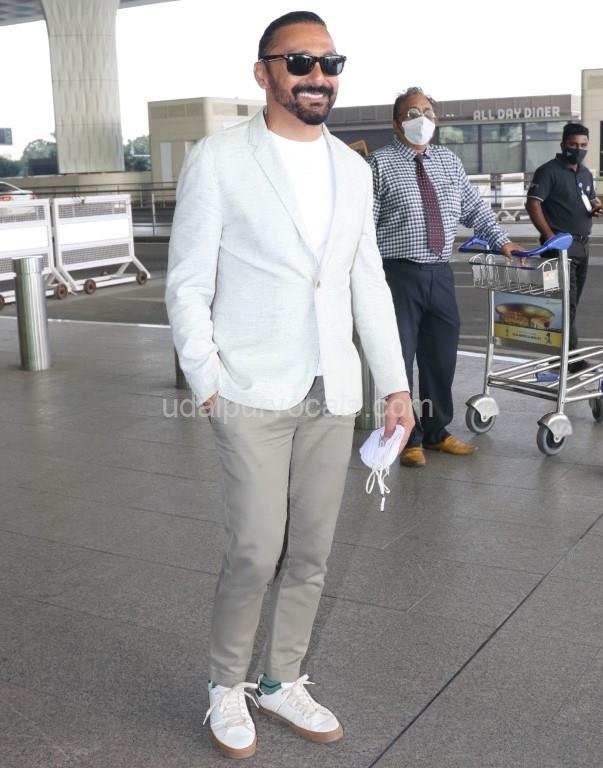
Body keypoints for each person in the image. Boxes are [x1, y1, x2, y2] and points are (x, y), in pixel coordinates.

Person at [165, 11, 414, 760]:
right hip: (248, 388)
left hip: (330, 390)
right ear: (263, 72)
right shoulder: (219, 159)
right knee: (253, 549)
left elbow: (366, 282)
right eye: (299, 62)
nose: (318, 77)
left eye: (330, 63)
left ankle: (281, 680)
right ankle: (225, 685)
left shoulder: (354, 169)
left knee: (310, 551)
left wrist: (395, 385)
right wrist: (208, 381)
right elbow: (187, 281)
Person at [368, 87, 521, 468]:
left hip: (440, 273)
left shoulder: (448, 162)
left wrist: (503, 242)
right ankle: (408, 437)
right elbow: (364, 226)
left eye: (427, 112)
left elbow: (474, 208)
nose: (421, 119)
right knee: (400, 358)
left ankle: (437, 432)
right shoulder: (379, 165)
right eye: (411, 113)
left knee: (440, 357)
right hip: (397, 274)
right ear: (396, 123)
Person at [526, 122, 603, 371]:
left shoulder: (585, 173)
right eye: (573, 144)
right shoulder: (548, 172)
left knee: (572, 304)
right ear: (563, 145)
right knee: (563, 304)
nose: (578, 149)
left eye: (583, 145)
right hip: (558, 248)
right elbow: (533, 204)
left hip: (582, 246)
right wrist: (550, 237)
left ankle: (563, 356)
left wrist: (596, 207)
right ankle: (567, 359)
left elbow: (589, 199)